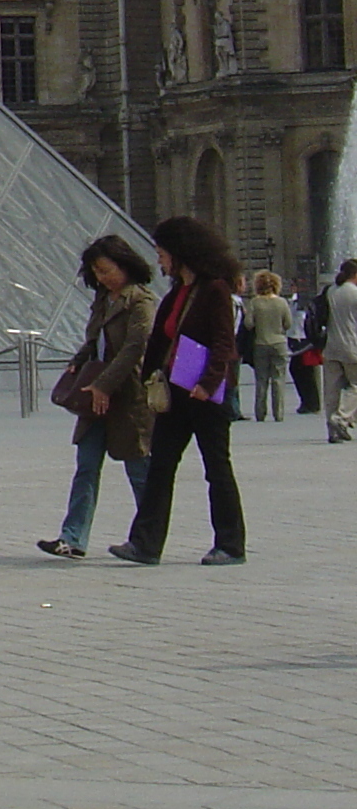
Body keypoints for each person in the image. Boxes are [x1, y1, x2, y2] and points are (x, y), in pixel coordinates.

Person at [112, 216, 248, 565]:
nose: (159, 259)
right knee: (160, 467)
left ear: (180, 252)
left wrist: (209, 383)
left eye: (162, 252)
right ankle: (145, 544)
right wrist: (147, 380)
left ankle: (230, 545)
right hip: (174, 392)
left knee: (216, 468)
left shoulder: (214, 289)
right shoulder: (177, 293)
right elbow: (160, 340)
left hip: (204, 395)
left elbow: (223, 342)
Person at [38, 234, 157, 559]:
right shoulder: (102, 300)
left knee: (138, 470)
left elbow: (135, 348)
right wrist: (78, 363)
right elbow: (94, 342)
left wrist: (104, 384)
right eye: (97, 272)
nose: (102, 277)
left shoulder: (141, 301)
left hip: (128, 395)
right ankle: (72, 538)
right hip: (95, 395)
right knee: (87, 467)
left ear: (125, 265)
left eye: (106, 270)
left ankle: (148, 539)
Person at [241, 271, 294, 422]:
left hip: (261, 343)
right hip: (279, 343)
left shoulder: (255, 303)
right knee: (278, 379)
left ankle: (260, 413)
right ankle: (279, 413)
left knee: (261, 380)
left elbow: (249, 324)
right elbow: (288, 323)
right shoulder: (282, 302)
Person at [318, 260, 357, 442]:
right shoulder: (354, 293)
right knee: (355, 386)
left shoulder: (331, 290)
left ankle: (331, 428)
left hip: (331, 346)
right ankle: (340, 419)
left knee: (331, 390)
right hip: (351, 345)